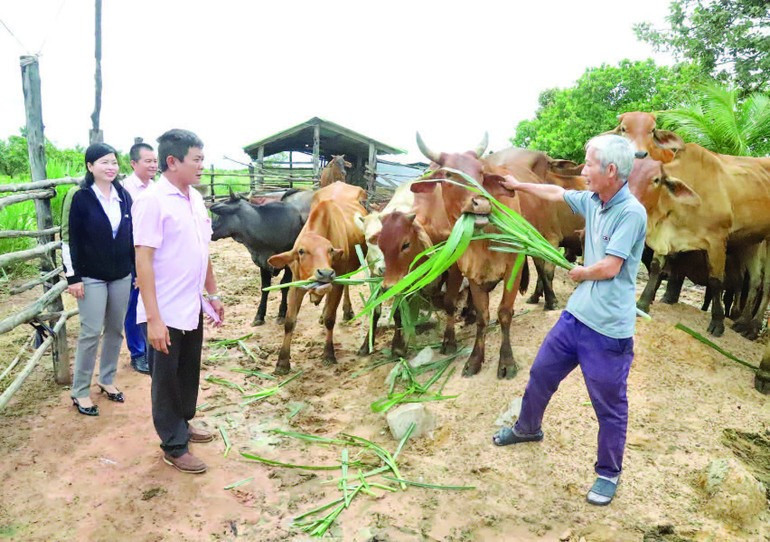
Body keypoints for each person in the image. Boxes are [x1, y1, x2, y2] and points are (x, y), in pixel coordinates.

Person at [492, 134, 647, 506]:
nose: (582, 171)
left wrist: (579, 272)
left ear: (611, 170)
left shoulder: (630, 212)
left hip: (608, 331)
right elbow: (553, 193)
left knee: (609, 406)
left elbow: (611, 267)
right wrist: (516, 185)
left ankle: (608, 473)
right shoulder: (594, 200)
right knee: (542, 374)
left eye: (589, 164)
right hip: (576, 317)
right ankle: (527, 428)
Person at [133, 129, 224, 474]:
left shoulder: (195, 198)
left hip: (192, 304)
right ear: (173, 162)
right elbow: (143, 259)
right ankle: (172, 444)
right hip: (165, 309)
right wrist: (154, 319)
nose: (202, 165)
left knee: (188, 370)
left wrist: (212, 293)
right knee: (166, 379)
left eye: (202, 158)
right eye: (196, 159)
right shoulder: (152, 200)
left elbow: (204, 250)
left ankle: (183, 423)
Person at [66, 143, 135, 416]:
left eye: (114, 162)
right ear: (90, 166)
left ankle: (106, 379)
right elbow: (68, 238)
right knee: (91, 332)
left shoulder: (123, 195)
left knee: (116, 329)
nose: (111, 167)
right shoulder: (80, 197)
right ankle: (80, 391)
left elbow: (131, 236)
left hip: (121, 275)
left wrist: (135, 272)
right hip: (91, 276)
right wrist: (73, 277)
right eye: (104, 162)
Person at [121, 142, 158, 374]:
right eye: (148, 161)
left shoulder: (157, 188)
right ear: (133, 163)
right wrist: (134, 266)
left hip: (154, 255)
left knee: (152, 301)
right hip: (133, 255)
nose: (153, 165)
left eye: (155, 161)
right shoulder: (124, 190)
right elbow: (124, 231)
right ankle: (137, 353)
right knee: (134, 305)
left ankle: (151, 347)